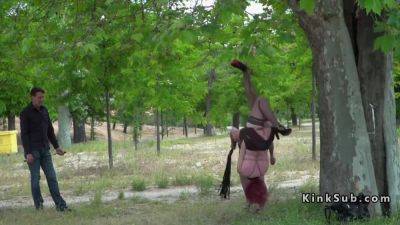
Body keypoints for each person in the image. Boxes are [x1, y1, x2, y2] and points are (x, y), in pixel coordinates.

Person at [20, 87, 70, 212]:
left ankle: (61, 206)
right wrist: (28, 153)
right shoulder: (25, 113)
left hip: (45, 150)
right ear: (32, 97)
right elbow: (24, 135)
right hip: (33, 152)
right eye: (39, 97)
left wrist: (57, 147)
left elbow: (50, 131)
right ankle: (39, 207)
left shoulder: (44, 111)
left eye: (43, 97)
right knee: (35, 180)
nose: (41, 100)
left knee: (52, 177)